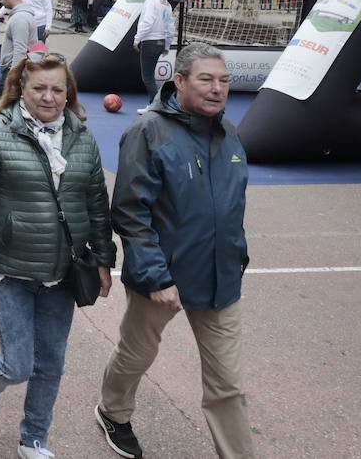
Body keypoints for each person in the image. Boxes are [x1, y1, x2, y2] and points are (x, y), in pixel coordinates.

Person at [0, 52, 115, 458]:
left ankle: (34, 438)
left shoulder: (82, 137)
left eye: (57, 89)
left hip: (63, 271)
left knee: (50, 365)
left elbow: (97, 202)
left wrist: (102, 259)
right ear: (20, 89)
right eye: (39, 88)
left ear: (68, 93)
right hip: (11, 268)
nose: (48, 97)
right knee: (18, 363)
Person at [96, 43, 252, 459]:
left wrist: (238, 255)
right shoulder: (147, 133)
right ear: (178, 81)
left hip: (220, 277)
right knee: (136, 355)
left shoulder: (229, 132)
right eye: (206, 79)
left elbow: (232, 204)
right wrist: (155, 277)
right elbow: (130, 212)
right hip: (161, 279)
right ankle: (112, 411)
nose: (217, 89)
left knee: (228, 385)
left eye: (223, 80)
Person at [133, 0, 175, 111]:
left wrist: (137, 39)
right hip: (160, 41)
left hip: (150, 40)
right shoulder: (166, 3)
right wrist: (167, 45)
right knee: (150, 76)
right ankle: (157, 104)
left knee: (148, 77)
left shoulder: (151, 0)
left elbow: (147, 21)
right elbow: (170, 26)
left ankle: (156, 105)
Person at [0, 0, 35, 70]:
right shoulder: (22, 15)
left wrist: (13, 76)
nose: (1, 1)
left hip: (11, 69)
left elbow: (20, 51)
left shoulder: (20, 18)